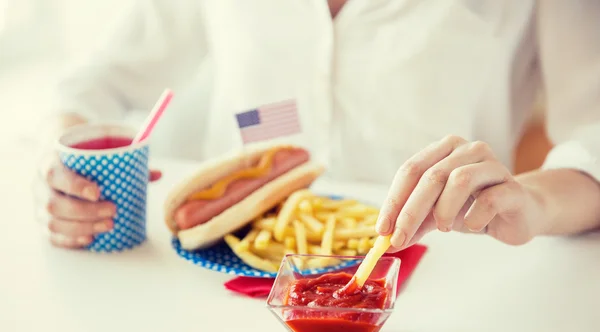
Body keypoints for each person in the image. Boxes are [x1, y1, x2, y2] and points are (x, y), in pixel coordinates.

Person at [41, 0, 600, 250]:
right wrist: (71, 176)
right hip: (223, 278)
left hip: (443, 280)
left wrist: (536, 202)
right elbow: (95, 85)